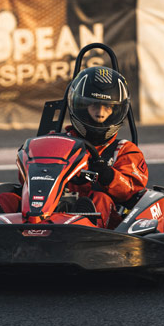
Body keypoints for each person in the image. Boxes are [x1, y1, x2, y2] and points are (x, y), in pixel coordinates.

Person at [64, 66, 148, 228]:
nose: (100, 113)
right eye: (94, 105)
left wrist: (107, 175)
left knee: (98, 199)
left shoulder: (123, 150)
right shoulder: (58, 143)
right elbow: (28, 180)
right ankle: (2, 231)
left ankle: (83, 229)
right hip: (53, 210)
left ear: (117, 110)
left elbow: (130, 189)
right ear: (80, 106)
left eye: (107, 107)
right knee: (6, 196)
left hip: (107, 224)